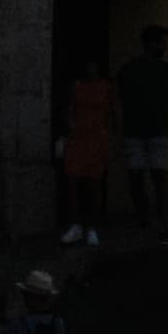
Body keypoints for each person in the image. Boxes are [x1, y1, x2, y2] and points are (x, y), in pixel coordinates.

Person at [113, 25, 168, 240]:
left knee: (147, 178)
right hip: (143, 132)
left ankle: (155, 220)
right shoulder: (158, 71)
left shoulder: (135, 70)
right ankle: (150, 219)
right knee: (151, 178)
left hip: (149, 132)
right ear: (153, 44)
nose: (167, 46)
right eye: (164, 42)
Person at [57, 58, 119, 244]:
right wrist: (69, 126)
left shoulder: (106, 87)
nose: (90, 68)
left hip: (97, 139)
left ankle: (92, 227)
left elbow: (113, 114)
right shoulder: (76, 86)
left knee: (94, 185)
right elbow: (68, 110)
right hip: (77, 139)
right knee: (73, 183)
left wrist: (113, 140)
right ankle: (75, 225)